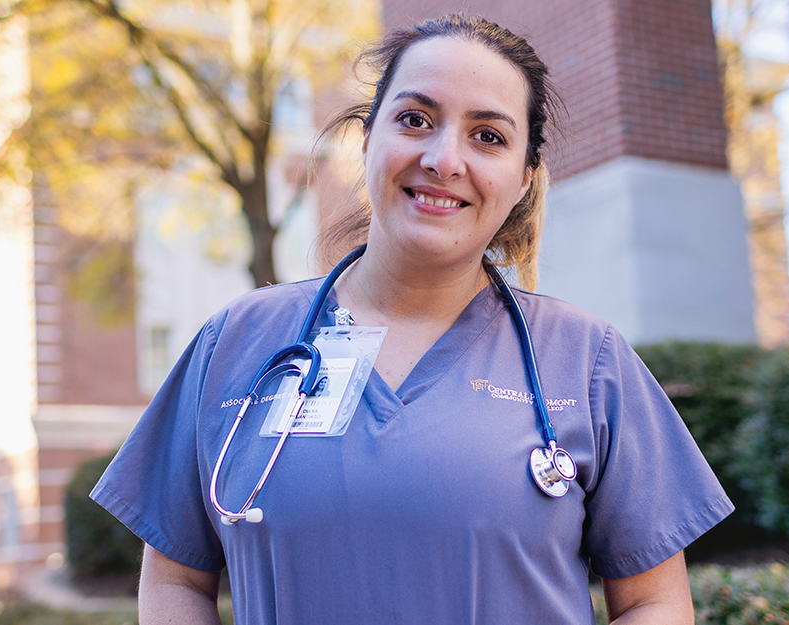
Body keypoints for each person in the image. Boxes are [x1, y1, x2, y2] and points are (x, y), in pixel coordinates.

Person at [92, 14, 732, 624]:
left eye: (488, 136)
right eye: (416, 119)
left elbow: (655, 602)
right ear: (368, 138)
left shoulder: (587, 360)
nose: (444, 159)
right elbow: (175, 580)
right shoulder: (234, 343)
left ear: (524, 177)